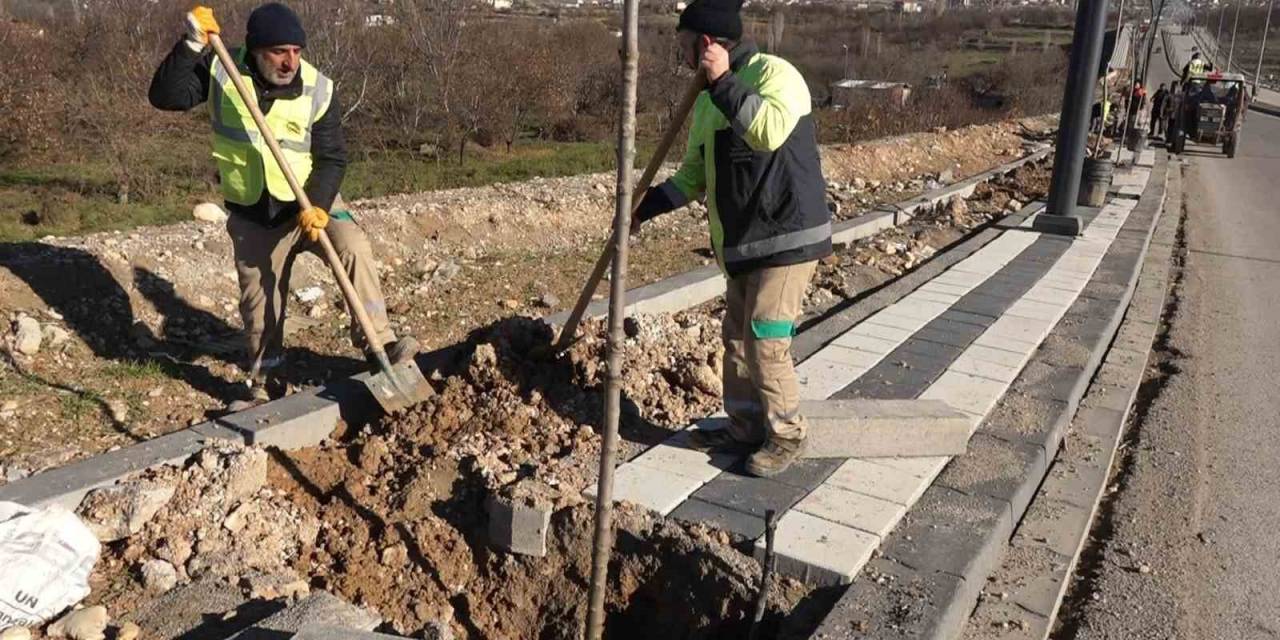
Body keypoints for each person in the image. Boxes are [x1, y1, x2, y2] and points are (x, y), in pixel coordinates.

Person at [148, 3, 419, 410]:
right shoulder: (221, 68)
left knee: (353, 247)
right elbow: (165, 97)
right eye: (279, 52)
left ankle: (380, 345)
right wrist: (190, 45)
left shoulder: (318, 88)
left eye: (295, 51)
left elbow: (332, 157)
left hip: (310, 200)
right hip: (254, 211)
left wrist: (320, 205)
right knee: (260, 300)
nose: (290, 61)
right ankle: (267, 382)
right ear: (256, 50)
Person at [630, 0, 831, 477]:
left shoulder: (776, 75)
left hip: (787, 237)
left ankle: (787, 434)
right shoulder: (705, 102)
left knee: (765, 339)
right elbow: (694, 177)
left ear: (705, 43)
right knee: (737, 341)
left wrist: (723, 82)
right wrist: (645, 208)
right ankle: (745, 426)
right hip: (744, 245)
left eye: (684, 46)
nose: (681, 56)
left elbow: (768, 132)